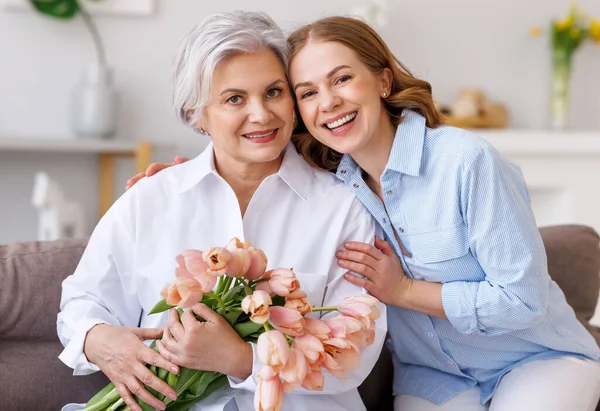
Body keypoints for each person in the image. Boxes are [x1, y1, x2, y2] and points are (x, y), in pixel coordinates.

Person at [132, 15, 600, 411]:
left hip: (535, 359)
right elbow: (247, 149)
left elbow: (522, 301)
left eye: (342, 78)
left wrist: (405, 290)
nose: (329, 102)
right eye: (307, 92)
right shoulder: (334, 179)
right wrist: (179, 178)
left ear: (382, 79)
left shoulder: (466, 161)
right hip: (433, 377)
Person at [57, 11, 387, 411]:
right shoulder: (151, 199)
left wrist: (241, 360)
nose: (262, 115)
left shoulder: (343, 207)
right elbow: (81, 301)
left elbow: (356, 355)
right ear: (197, 116)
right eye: (234, 99)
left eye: (273, 92)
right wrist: (97, 338)